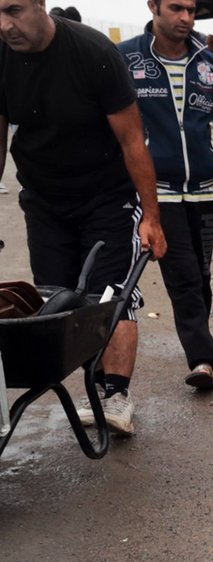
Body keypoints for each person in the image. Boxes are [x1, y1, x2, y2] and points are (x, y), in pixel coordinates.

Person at [0, 0, 167, 434]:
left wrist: (151, 217)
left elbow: (133, 141)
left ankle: (117, 396)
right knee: (56, 301)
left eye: (13, 10)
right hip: (44, 201)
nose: (5, 25)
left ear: (39, 4)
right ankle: (92, 382)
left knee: (110, 295)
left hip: (106, 198)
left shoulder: (93, 53)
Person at [119, 0, 213, 389]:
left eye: (191, 10)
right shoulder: (126, 59)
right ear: (153, 7)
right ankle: (203, 359)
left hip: (205, 192)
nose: (186, 18)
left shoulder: (210, 66)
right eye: (176, 8)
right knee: (184, 277)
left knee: (201, 274)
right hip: (158, 193)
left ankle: (197, 340)